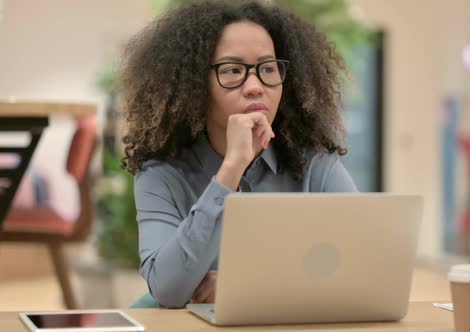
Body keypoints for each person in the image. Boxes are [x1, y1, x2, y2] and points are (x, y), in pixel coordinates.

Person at [120, 0, 358, 308]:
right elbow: (168, 288)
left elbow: (359, 265)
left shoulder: (315, 163)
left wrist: (240, 284)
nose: (256, 86)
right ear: (194, 85)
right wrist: (230, 171)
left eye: (268, 68)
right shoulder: (161, 173)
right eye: (233, 70)